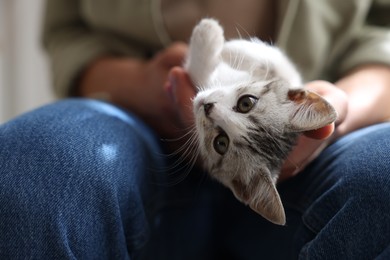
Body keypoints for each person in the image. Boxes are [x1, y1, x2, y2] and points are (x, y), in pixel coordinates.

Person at [0, 0, 390, 258]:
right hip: (141, 117)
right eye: (243, 105)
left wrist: (341, 106)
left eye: (223, 132)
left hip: (327, 139)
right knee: (33, 166)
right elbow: (67, 33)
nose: (211, 109)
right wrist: (139, 83)